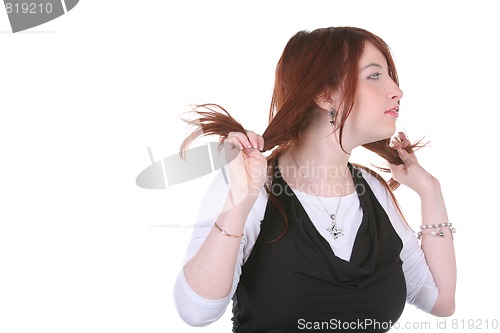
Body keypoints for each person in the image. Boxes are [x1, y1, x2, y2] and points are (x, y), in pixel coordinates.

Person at [173, 26, 456, 332]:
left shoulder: (374, 190)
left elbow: (440, 301)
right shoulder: (252, 185)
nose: (396, 90)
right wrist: (240, 200)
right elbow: (196, 312)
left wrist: (431, 192)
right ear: (325, 94)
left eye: (390, 75)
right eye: (375, 75)